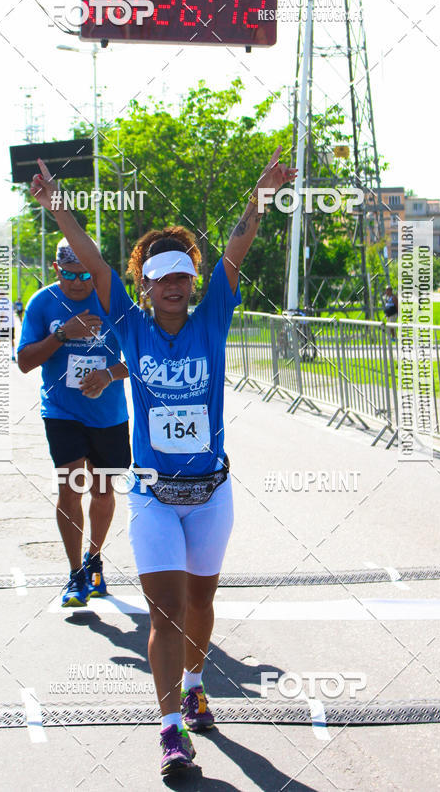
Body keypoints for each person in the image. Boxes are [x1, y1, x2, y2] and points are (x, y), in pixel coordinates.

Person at [30, 147, 296, 776]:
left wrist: (260, 191)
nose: (174, 287)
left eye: (183, 277)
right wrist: (55, 207)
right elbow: (93, 261)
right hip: (152, 494)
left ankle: (198, 682)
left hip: (210, 493)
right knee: (166, 610)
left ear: (193, 284)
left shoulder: (212, 321)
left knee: (202, 603)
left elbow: (240, 243)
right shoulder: (129, 323)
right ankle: (171, 729)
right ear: (144, 286)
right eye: (161, 278)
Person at [17, 238, 131, 608]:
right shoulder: (42, 303)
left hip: (109, 415)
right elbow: (24, 361)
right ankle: (74, 575)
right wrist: (64, 334)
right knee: (71, 486)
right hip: (62, 412)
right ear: (56, 269)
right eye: (70, 275)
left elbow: (146, 356)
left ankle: (94, 559)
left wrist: (109, 375)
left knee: (102, 491)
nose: (79, 283)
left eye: (86, 273)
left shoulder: (113, 299)